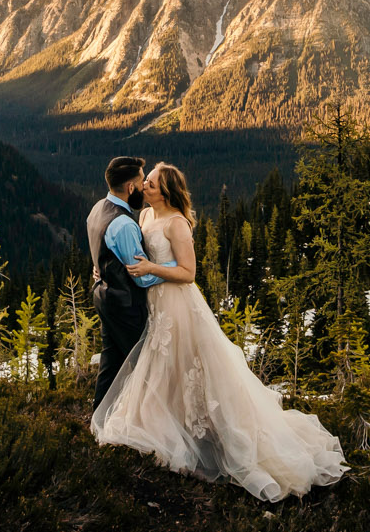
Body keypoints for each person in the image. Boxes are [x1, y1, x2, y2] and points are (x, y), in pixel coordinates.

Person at [91, 162, 347, 502]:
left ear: (165, 192)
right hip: (154, 305)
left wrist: (151, 268)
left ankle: (212, 436)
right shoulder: (144, 218)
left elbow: (188, 272)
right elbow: (129, 258)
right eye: (144, 182)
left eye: (150, 184)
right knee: (163, 371)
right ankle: (170, 429)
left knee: (189, 368)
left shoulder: (176, 224)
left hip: (177, 305)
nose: (145, 187)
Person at [86, 155, 157, 409]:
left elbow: (101, 251)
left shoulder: (97, 209)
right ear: (130, 188)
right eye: (140, 183)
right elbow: (143, 276)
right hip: (125, 305)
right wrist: (174, 268)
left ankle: (100, 418)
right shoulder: (124, 224)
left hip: (104, 297)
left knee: (112, 360)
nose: (142, 188)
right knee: (145, 364)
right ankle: (144, 424)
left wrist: (100, 271)